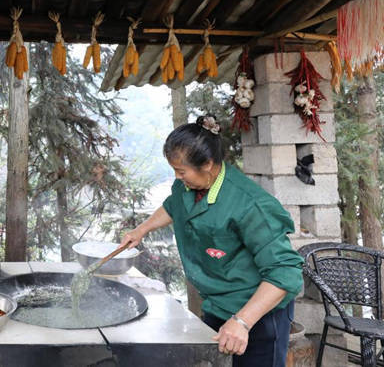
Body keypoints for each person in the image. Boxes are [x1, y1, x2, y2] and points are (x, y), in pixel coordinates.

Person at [119, 115, 303, 366]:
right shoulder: (187, 187)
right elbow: (173, 206)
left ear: (206, 164)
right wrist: (141, 230)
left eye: (181, 171)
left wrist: (242, 322)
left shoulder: (250, 204)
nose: (178, 177)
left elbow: (286, 272)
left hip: (257, 313)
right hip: (217, 304)